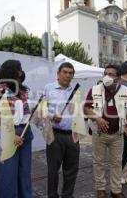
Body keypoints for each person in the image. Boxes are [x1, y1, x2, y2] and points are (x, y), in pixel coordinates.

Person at [84, 64, 127, 198]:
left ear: (118, 78)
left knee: (116, 163)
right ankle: (100, 189)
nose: (107, 76)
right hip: (98, 134)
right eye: (106, 73)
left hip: (118, 134)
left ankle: (116, 190)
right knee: (98, 162)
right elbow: (86, 108)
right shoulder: (94, 90)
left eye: (111, 74)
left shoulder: (126, 91)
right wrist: (97, 118)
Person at [0, 59, 33, 198]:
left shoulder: (21, 90)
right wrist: (11, 135)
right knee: (7, 175)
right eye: (18, 69)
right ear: (11, 71)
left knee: (24, 172)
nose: (21, 72)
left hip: (25, 133)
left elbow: (25, 113)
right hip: (8, 135)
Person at [44, 62, 80, 198]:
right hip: (55, 135)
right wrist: (52, 116)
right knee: (53, 170)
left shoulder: (75, 90)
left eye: (70, 73)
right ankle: (52, 195)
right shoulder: (48, 88)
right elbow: (41, 110)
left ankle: (67, 195)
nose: (68, 75)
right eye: (65, 72)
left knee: (71, 169)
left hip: (73, 135)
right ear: (58, 73)